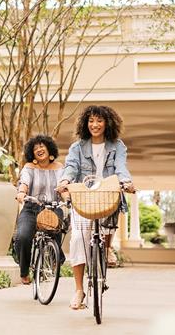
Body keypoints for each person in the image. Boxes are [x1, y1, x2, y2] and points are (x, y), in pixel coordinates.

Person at [57, 105, 136, 310]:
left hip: (107, 193)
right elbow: (71, 167)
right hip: (83, 195)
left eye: (99, 121)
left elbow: (121, 167)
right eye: (91, 120)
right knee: (78, 238)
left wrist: (126, 182)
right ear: (86, 123)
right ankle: (78, 290)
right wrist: (65, 180)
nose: (95, 124)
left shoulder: (117, 146)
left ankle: (107, 249)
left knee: (109, 224)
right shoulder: (78, 147)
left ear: (107, 123)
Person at [14, 134, 63, 285]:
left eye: (42, 146)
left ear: (49, 149)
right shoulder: (30, 167)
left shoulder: (60, 168)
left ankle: (56, 258)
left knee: (55, 231)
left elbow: (63, 185)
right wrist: (22, 192)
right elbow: (25, 181)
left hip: (52, 207)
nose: (39, 149)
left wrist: (68, 196)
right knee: (22, 236)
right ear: (32, 154)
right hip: (31, 207)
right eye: (35, 148)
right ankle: (24, 270)